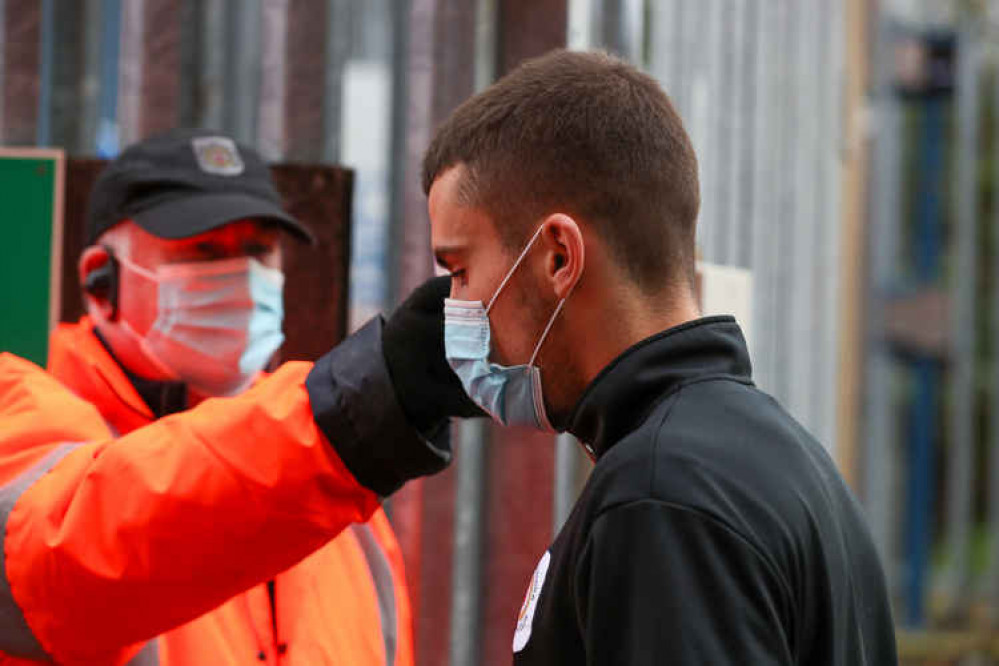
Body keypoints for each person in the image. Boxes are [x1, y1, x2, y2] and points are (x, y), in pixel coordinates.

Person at [424, 50, 897, 665]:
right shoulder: (783, 461)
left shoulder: (659, 497)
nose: (452, 307)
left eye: (459, 270)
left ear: (559, 257)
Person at [0, 129, 477, 665]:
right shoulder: (30, 441)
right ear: (99, 281)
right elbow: (68, 547)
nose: (240, 275)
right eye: (203, 250)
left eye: (257, 251)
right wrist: (364, 405)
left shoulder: (337, 500)